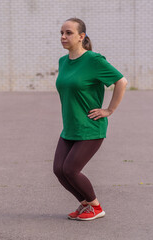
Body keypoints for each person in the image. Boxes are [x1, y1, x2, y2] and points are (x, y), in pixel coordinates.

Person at [53, 18, 128, 221]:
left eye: (68, 32)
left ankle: (96, 207)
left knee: (70, 169)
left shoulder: (94, 60)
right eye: (61, 32)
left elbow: (121, 81)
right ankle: (85, 204)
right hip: (70, 126)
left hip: (90, 127)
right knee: (59, 170)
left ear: (81, 36)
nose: (63, 36)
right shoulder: (63, 61)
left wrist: (109, 110)